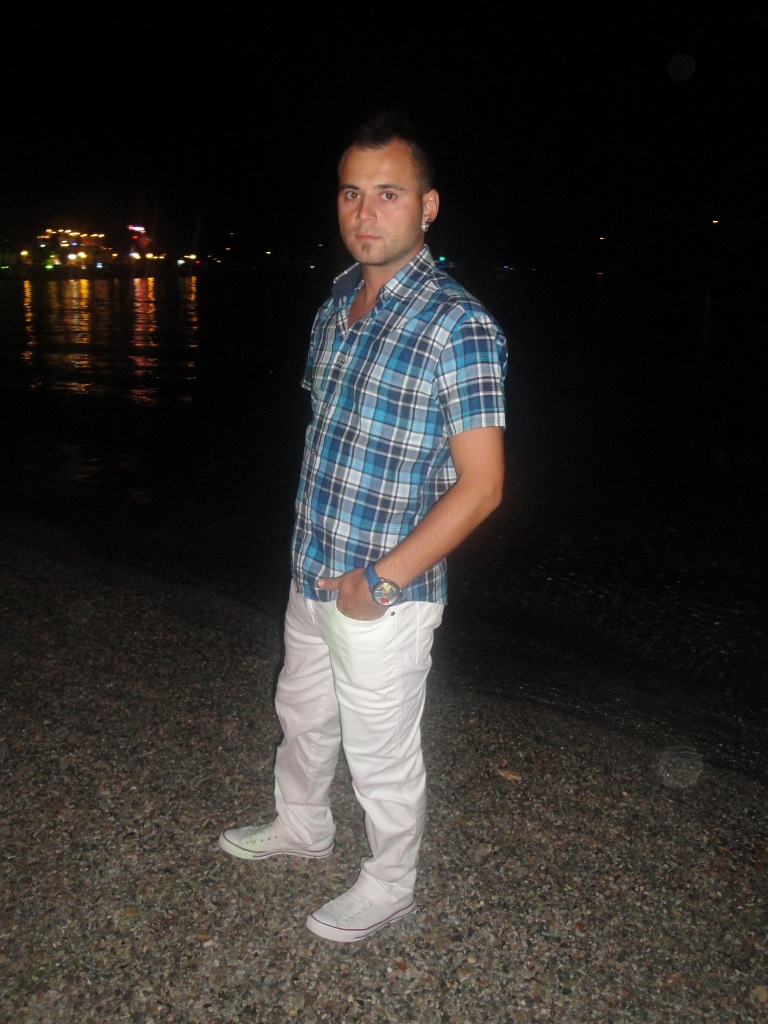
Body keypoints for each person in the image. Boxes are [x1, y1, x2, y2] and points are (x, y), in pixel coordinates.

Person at [219, 111, 508, 943]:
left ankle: (390, 884)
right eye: (352, 193)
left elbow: (484, 487)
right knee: (302, 713)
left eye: (388, 193)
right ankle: (301, 825)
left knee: (381, 752)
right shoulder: (335, 306)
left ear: (428, 207)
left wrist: (379, 582)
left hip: (385, 591)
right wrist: (318, 569)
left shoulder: (458, 326)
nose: (365, 211)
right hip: (313, 565)